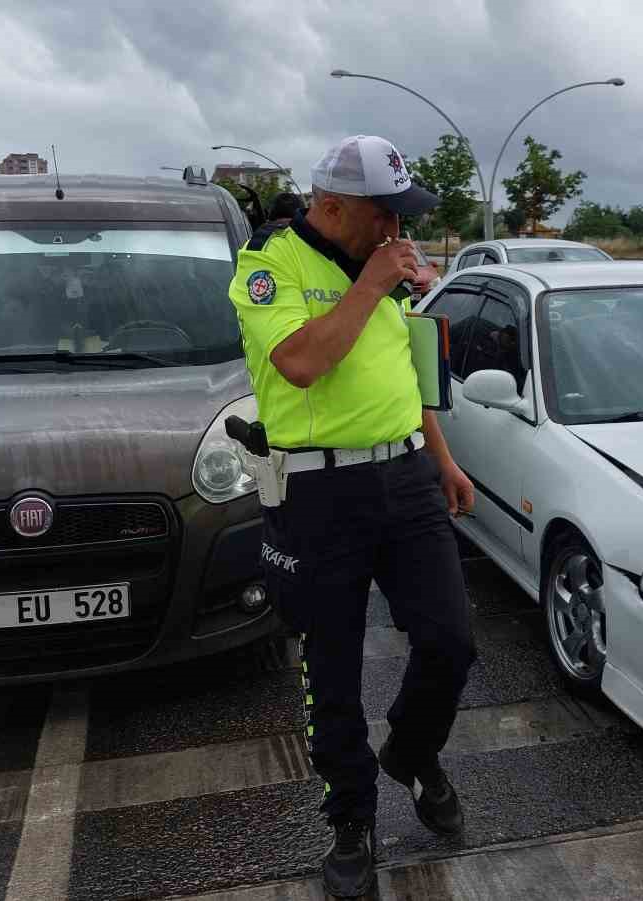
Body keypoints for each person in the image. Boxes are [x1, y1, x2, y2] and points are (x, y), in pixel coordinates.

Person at [227, 134, 478, 899]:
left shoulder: (385, 266)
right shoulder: (269, 265)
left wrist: (441, 457)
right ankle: (351, 816)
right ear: (332, 207)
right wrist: (370, 284)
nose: (398, 231)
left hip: (404, 472)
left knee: (451, 639)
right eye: (386, 215)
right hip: (317, 492)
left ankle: (411, 750)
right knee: (330, 667)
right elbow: (300, 362)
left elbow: (396, 366)